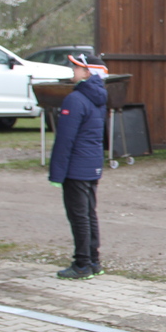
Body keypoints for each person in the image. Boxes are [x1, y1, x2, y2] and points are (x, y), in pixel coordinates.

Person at [48, 51, 108, 280]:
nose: (73, 70)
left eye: (76, 67)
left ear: (87, 72)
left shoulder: (75, 99)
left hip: (76, 167)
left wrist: (56, 173)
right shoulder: (98, 96)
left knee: (79, 216)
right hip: (92, 164)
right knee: (89, 214)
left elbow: (65, 139)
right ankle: (93, 261)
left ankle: (82, 264)